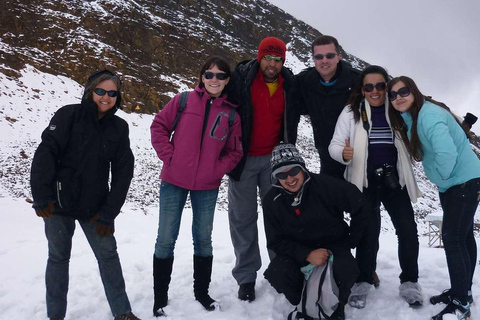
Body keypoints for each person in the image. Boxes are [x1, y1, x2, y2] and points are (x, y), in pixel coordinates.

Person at [30, 70, 139, 320]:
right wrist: (41, 195)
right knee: (58, 258)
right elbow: (46, 152)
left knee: (108, 256)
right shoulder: (68, 115)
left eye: (112, 93)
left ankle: (123, 313)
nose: (106, 97)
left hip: (95, 208)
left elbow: (124, 172)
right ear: (91, 90)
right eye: (101, 91)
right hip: (58, 204)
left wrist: (109, 212)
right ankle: (55, 316)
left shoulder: (119, 127)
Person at [150, 56, 243, 316]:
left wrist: (216, 168)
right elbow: (159, 126)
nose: (215, 79)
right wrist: (170, 157)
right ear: (202, 77)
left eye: (221, 76)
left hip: (207, 185)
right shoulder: (182, 101)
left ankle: (202, 293)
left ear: (227, 81)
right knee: (165, 238)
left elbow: (235, 151)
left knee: (203, 239)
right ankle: (160, 299)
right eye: (210, 74)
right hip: (173, 181)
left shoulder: (231, 113)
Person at [329, 66, 423, 308]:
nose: (375, 91)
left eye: (380, 86)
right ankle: (363, 280)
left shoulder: (397, 109)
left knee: (408, 230)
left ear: (386, 86)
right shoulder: (351, 113)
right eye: (368, 86)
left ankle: (410, 281)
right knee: (367, 233)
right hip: (365, 181)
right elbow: (335, 144)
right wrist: (343, 153)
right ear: (362, 89)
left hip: (395, 180)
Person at [388, 76, 480, 320]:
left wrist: (441, 178)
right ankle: (464, 292)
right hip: (460, 181)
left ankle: (460, 303)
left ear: (414, 91)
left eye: (403, 91)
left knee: (454, 240)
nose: (398, 97)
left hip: (460, 182)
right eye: (393, 95)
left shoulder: (429, 116)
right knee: (463, 236)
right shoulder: (413, 116)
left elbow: (447, 153)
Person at [226, 36, 299, 301]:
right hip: (242, 161)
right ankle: (246, 277)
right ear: (259, 57)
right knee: (243, 219)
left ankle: (280, 269)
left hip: (274, 161)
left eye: (277, 58)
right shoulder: (241, 78)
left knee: (278, 218)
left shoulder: (289, 84)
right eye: (268, 57)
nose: (272, 63)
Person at [262, 143, 368, 320]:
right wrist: (306, 254)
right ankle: (303, 300)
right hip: (296, 253)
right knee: (278, 272)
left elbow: (360, 205)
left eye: (293, 171)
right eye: (281, 174)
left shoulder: (327, 186)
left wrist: (350, 240)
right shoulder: (271, 201)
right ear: (275, 178)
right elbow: (275, 241)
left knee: (347, 269)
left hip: (332, 247)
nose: (289, 179)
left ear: (303, 168)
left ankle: (335, 306)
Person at [296, 35, 360, 179]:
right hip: (326, 156)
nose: (324, 60)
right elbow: (292, 106)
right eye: (319, 57)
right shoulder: (304, 82)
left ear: (339, 57)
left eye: (329, 55)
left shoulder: (357, 81)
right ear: (313, 59)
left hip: (357, 155)